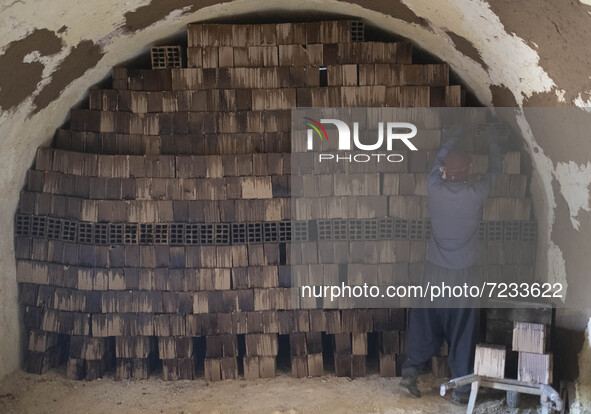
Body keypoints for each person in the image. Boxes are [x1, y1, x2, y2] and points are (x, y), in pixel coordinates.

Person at [399, 123, 504, 404]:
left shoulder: (434, 188)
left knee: (426, 320)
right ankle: (461, 389)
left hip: (434, 270)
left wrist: (455, 135)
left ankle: (410, 374)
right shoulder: (475, 194)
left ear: (446, 171)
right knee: (463, 329)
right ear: (467, 172)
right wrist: (492, 140)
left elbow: (436, 162)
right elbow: (496, 172)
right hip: (464, 274)